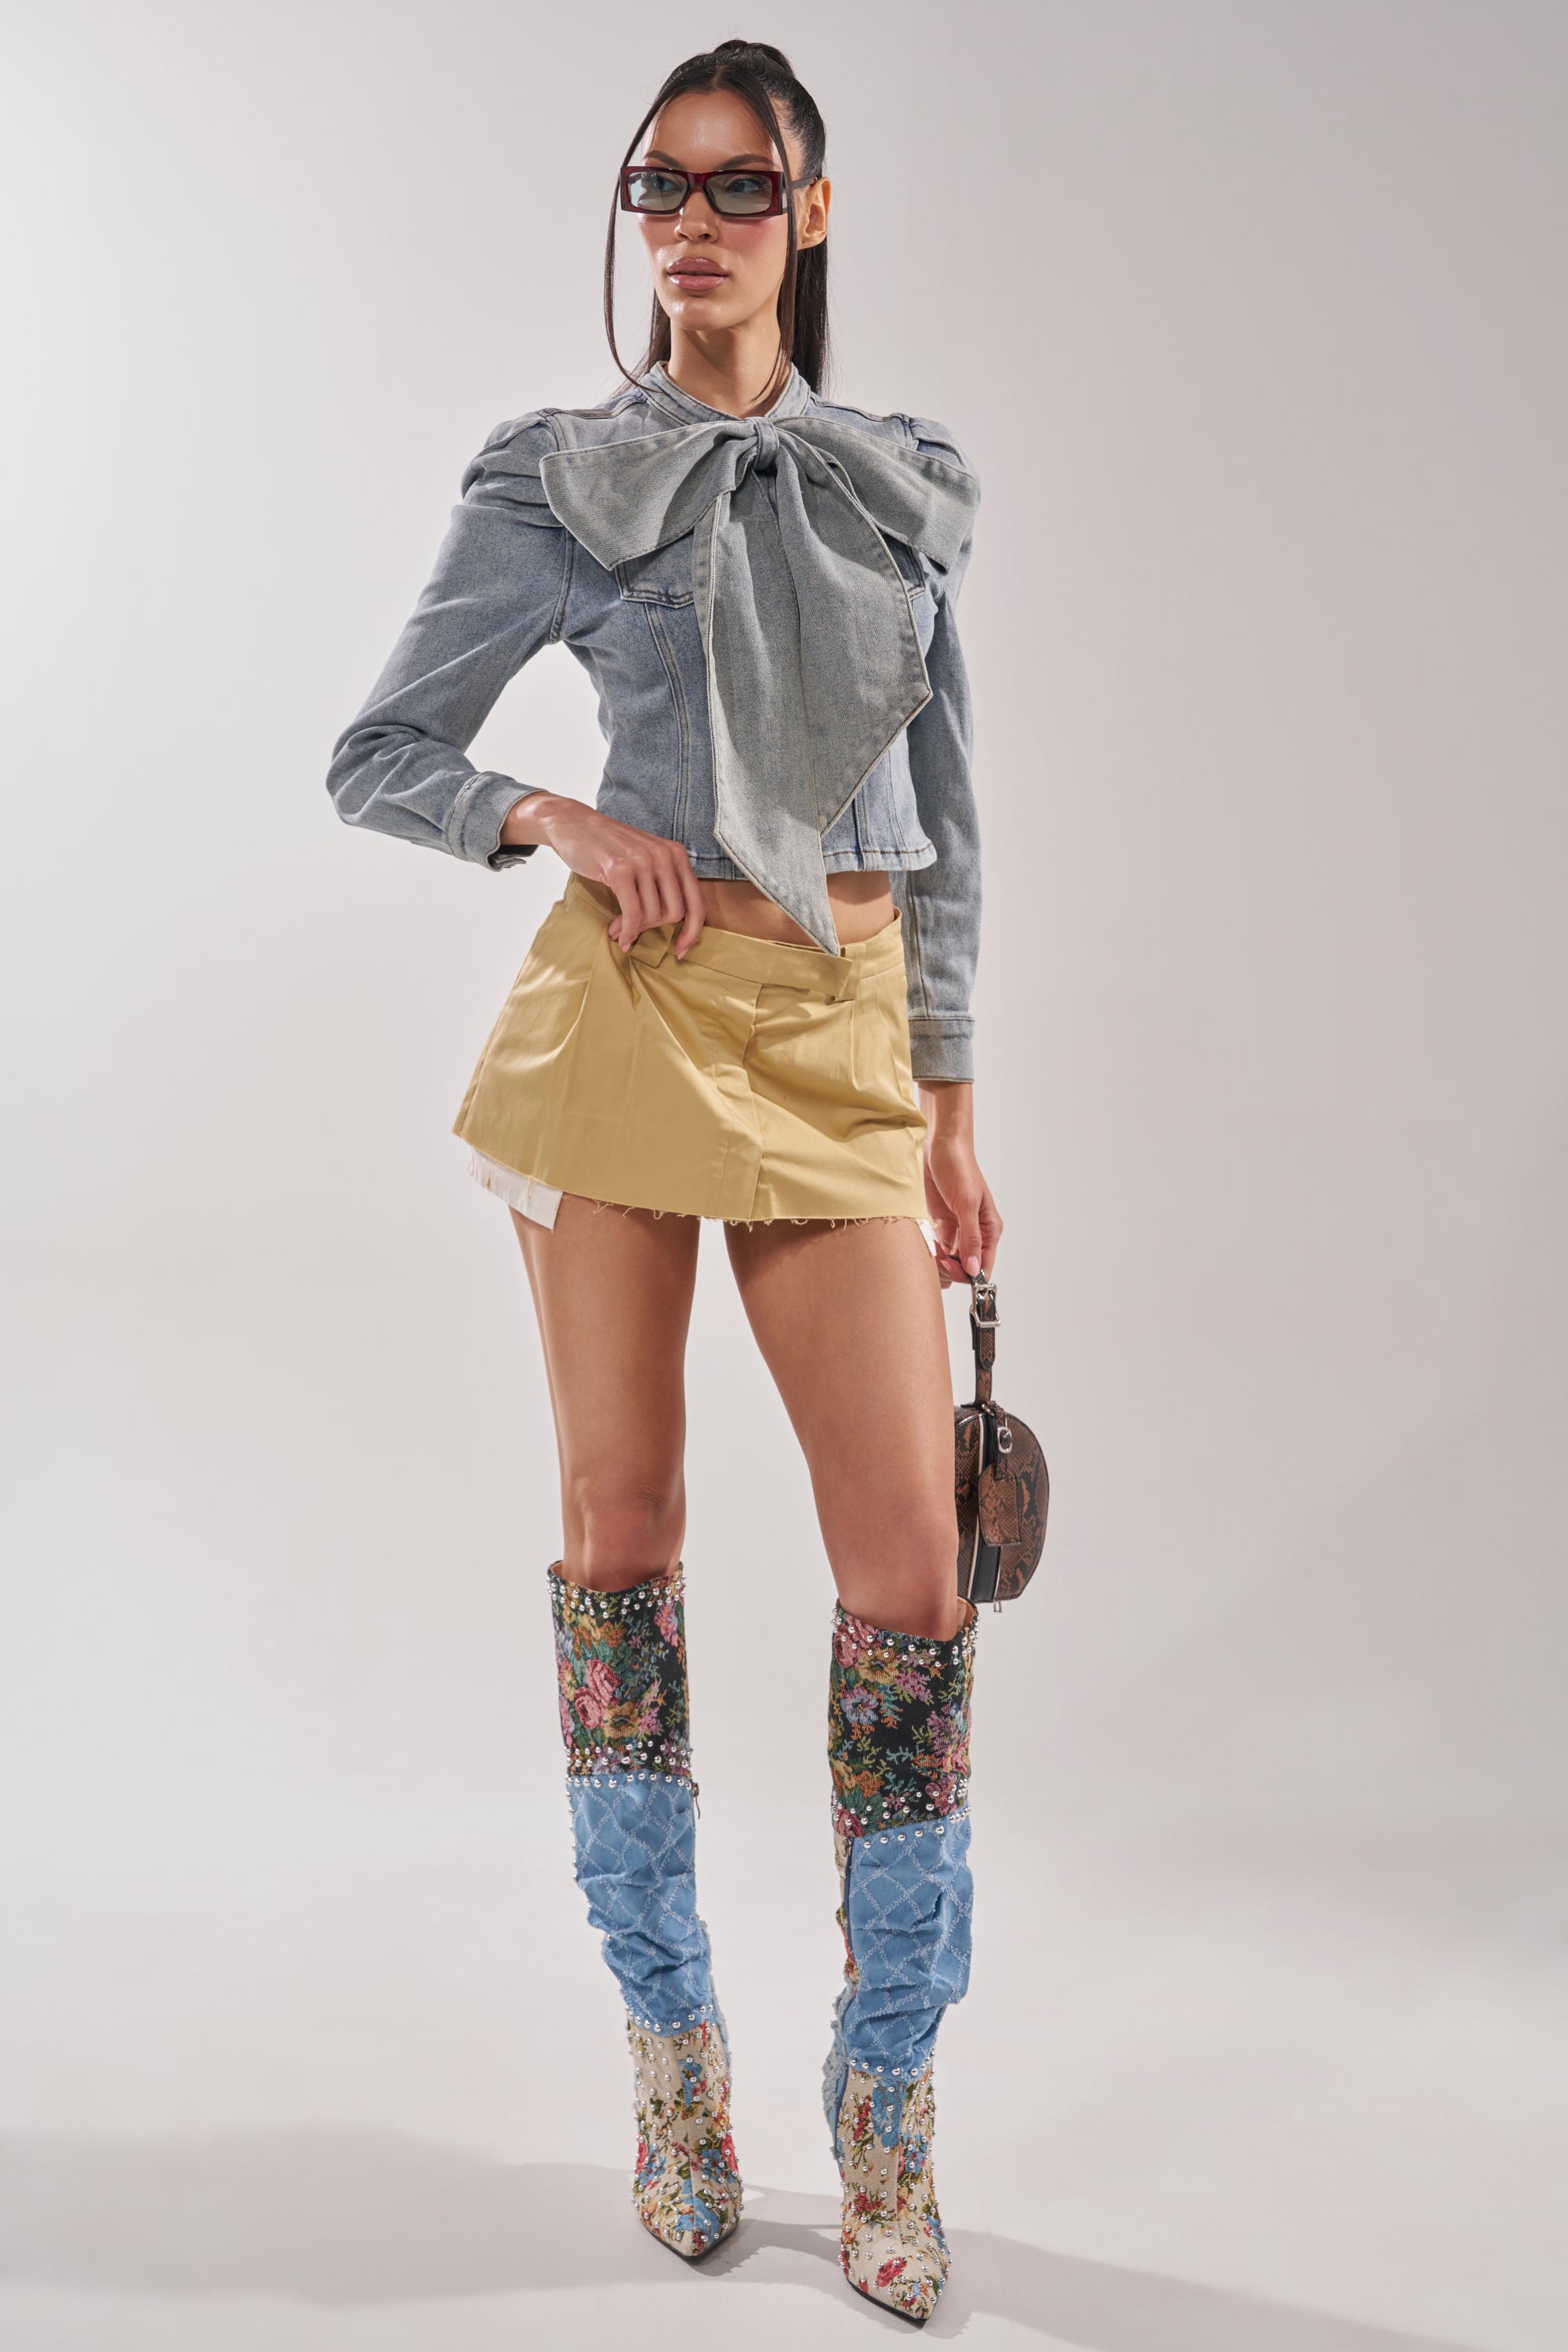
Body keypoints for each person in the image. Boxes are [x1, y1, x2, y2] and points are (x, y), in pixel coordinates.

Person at [327, 38, 1000, 2324]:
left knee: (907, 1578)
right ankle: (673, 2055)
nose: (691, 218)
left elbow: (952, 817)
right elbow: (380, 751)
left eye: (737, 183)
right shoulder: (555, 474)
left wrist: (958, 1101)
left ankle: (888, 2095)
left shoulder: (893, 486)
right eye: (657, 184)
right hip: (627, 1010)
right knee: (624, 1536)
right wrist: (557, 820)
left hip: (836, 1026)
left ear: (811, 214)